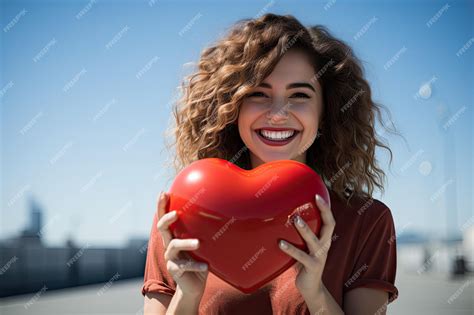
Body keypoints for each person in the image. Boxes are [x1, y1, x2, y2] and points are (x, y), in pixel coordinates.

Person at [142, 13, 399, 315]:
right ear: (233, 108)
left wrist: (316, 295)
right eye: (258, 94)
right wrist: (186, 295)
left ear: (325, 112)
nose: (278, 113)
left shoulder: (367, 222)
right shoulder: (182, 218)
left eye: (299, 95)